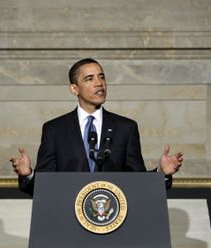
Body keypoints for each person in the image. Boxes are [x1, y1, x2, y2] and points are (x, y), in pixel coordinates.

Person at [10, 58, 183, 195]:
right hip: (68, 222)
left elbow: (136, 182)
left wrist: (162, 173)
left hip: (112, 222)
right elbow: (44, 186)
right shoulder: (55, 129)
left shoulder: (126, 128)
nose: (99, 83)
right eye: (89, 78)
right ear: (74, 88)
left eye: (102, 76)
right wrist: (28, 174)